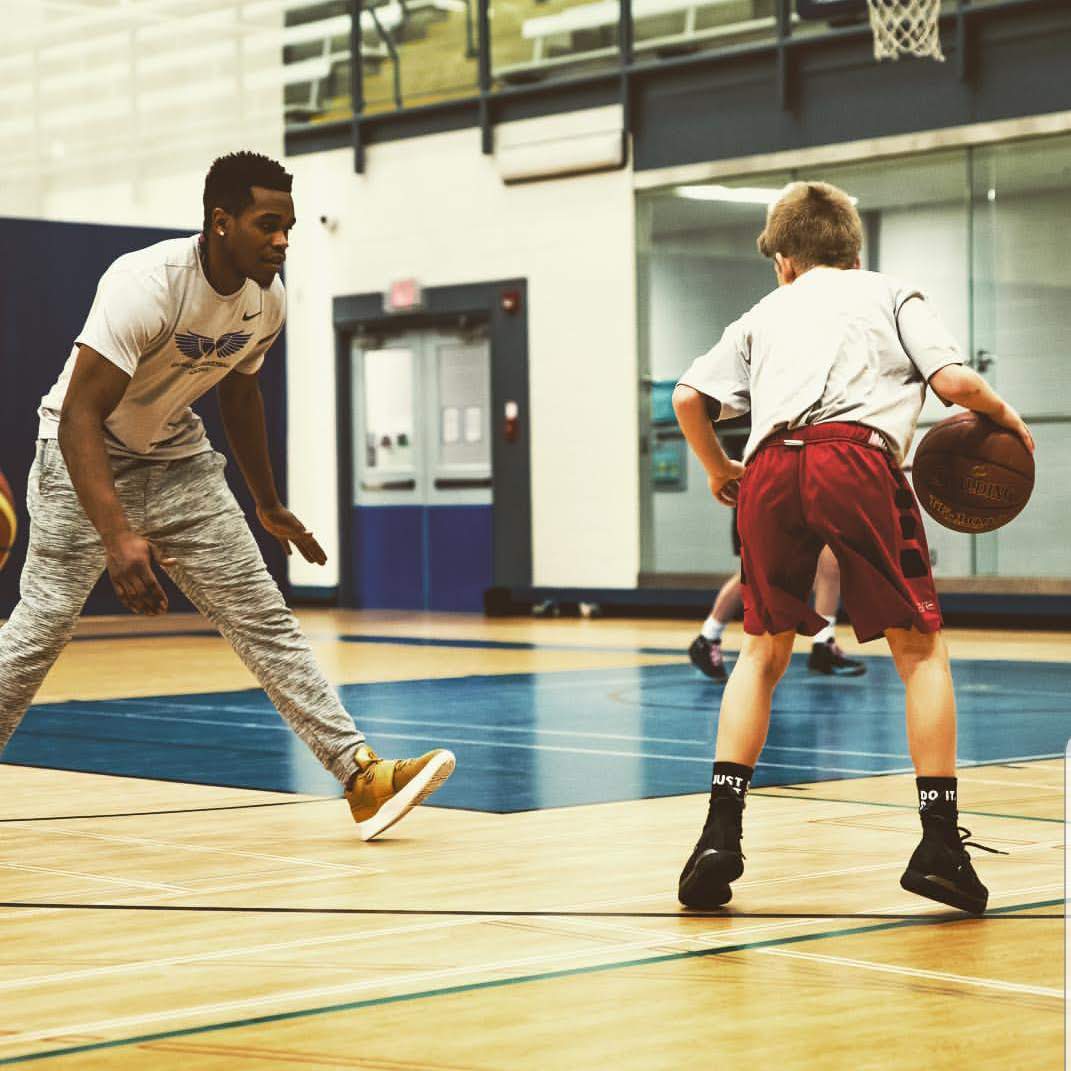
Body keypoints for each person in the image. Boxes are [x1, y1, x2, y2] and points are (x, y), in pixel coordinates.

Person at [0, 151, 455, 840]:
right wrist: (118, 532)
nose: (281, 241)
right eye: (267, 225)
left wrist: (266, 501)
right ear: (220, 222)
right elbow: (79, 415)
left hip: (177, 461)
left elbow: (241, 392)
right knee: (39, 633)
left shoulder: (264, 300)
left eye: (289, 227)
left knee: (264, 618)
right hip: (78, 458)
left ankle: (360, 775)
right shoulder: (145, 283)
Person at [672, 180, 1033, 915]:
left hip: (771, 465)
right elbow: (952, 381)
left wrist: (720, 470)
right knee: (918, 649)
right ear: (852, 247)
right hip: (857, 459)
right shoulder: (892, 293)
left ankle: (717, 835)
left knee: (761, 651)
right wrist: (1004, 417)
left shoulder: (762, 312)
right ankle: (938, 844)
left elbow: (688, 397)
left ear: (782, 259)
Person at [689, 546, 866, 682]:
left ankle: (823, 644)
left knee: (831, 558)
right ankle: (707, 637)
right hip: (767, 502)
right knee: (761, 567)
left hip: (808, 500)